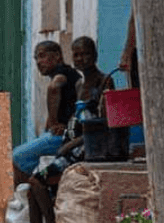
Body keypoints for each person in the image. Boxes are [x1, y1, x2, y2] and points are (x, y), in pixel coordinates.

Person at [11, 40, 81, 185]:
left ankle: (25, 194)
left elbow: (54, 87)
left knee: (17, 155)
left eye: (42, 56)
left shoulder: (63, 73)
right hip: (66, 133)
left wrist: (55, 122)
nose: (38, 62)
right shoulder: (70, 74)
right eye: (36, 58)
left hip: (66, 137)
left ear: (57, 56)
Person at [72, 36, 114, 112]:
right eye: (76, 55)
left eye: (84, 54)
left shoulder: (105, 81)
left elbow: (107, 114)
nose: (79, 59)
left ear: (94, 55)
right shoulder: (78, 85)